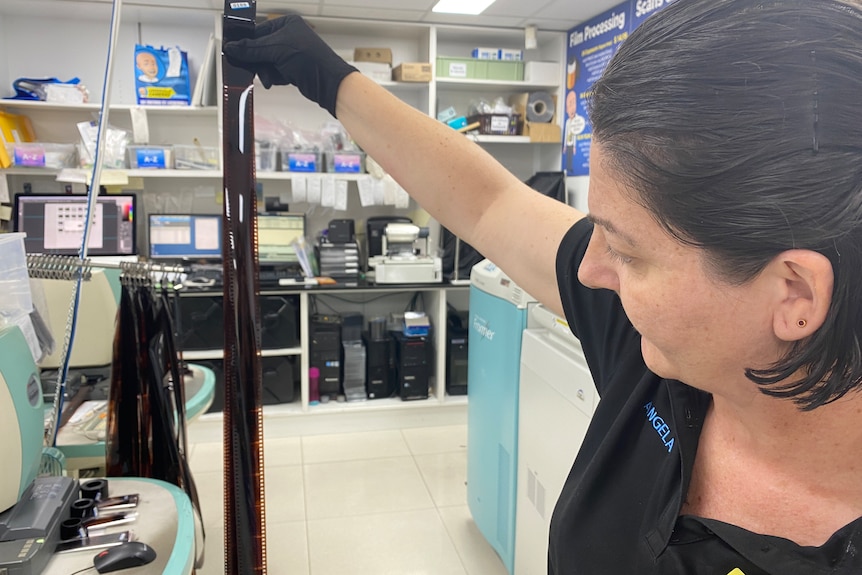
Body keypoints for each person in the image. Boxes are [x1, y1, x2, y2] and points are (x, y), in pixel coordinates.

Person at [224, 1, 862, 572]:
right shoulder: (661, 357)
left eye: (629, 253)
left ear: (795, 295)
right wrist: (327, 78)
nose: (590, 273)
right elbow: (488, 202)